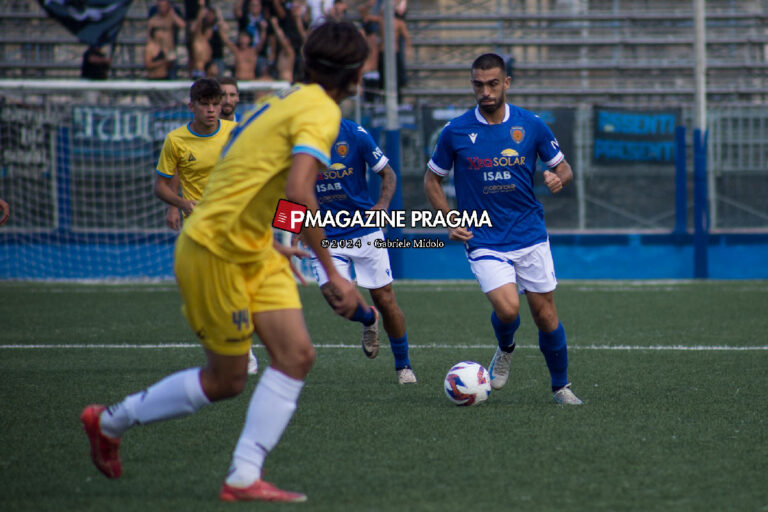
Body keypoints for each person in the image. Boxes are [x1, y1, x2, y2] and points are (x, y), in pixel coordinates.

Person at [80, 20, 371, 502]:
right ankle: (109, 421)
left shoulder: (287, 97)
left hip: (253, 246)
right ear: (357, 72)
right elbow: (300, 190)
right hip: (214, 248)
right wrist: (333, 271)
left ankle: (243, 475)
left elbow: (272, 185)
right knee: (227, 379)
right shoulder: (319, 111)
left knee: (296, 355)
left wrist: (271, 235)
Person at [423, 53, 583, 405]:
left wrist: (559, 178)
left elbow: (565, 168)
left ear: (506, 83)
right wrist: (448, 218)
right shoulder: (456, 131)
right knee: (509, 309)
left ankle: (561, 387)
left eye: (493, 83)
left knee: (545, 315)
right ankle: (506, 346)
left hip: (528, 232)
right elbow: (432, 180)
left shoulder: (531, 125)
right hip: (484, 236)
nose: (486, 91)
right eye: (478, 85)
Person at [152, 78, 258, 375]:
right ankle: (232, 343)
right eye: (205, 105)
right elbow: (160, 186)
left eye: (216, 104)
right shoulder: (176, 140)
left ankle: (244, 349)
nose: (212, 110)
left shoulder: (234, 132)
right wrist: (180, 203)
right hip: (198, 224)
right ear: (192, 107)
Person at [308, 119, 416, 384]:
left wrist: (382, 204)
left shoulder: (354, 133)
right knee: (336, 298)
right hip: (324, 233)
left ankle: (403, 366)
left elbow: (388, 173)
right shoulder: (295, 137)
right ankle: (368, 318)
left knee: (385, 298)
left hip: (364, 230)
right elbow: (286, 185)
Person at [147, 0, 185, 79]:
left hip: (170, 52)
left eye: (164, 6)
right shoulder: (153, 20)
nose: (162, 9)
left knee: (172, 75)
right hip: (158, 52)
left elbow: (182, 25)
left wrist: (172, 13)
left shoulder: (171, 18)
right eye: (160, 6)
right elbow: (149, 36)